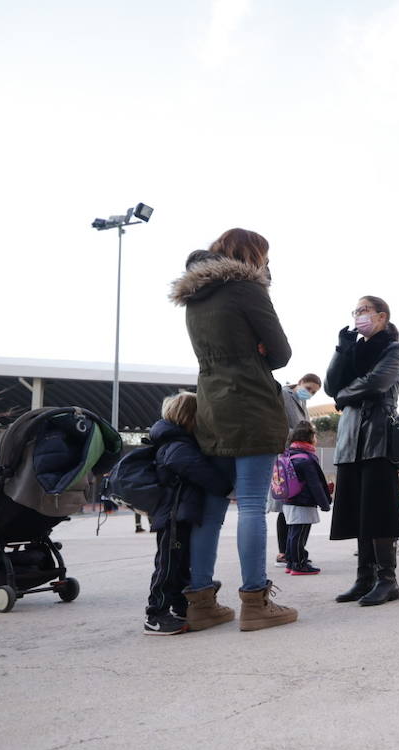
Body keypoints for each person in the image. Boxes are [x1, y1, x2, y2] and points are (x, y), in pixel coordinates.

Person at [172, 228, 298, 631]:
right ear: (251, 254)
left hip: (211, 405)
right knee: (251, 506)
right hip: (251, 404)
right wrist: (259, 349)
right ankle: (255, 602)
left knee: (211, 509)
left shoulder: (194, 296)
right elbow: (280, 353)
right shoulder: (247, 289)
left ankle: (202, 602)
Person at [327, 295, 399, 606]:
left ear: (382, 317)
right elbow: (332, 386)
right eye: (355, 311)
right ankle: (364, 577)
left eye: (364, 310)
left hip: (377, 433)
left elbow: (377, 383)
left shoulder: (394, 349)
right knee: (359, 509)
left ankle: (388, 579)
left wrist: (343, 397)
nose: (358, 315)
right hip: (350, 437)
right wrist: (341, 349)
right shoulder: (352, 351)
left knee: (379, 508)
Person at [143, 393, 234, 634]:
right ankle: (155, 615)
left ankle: (182, 606)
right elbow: (194, 468)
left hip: (180, 514)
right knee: (168, 566)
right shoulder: (176, 443)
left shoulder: (175, 440)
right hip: (173, 515)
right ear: (191, 417)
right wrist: (225, 487)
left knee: (181, 565)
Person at [274, 373, 322, 566]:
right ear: (300, 382)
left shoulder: (302, 403)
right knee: (286, 505)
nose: (310, 393)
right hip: (286, 454)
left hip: (297, 454)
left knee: (291, 504)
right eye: (309, 388)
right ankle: (284, 552)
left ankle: (292, 551)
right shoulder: (284, 395)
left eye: (314, 392)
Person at [281, 421, 331, 575]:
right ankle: (299, 564)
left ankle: (291, 561)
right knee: (300, 533)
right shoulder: (307, 458)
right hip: (303, 502)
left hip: (288, 500)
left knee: (292, 532)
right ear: (310, 437)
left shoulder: (289, 453)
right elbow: (314, 484)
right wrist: (325, 503)